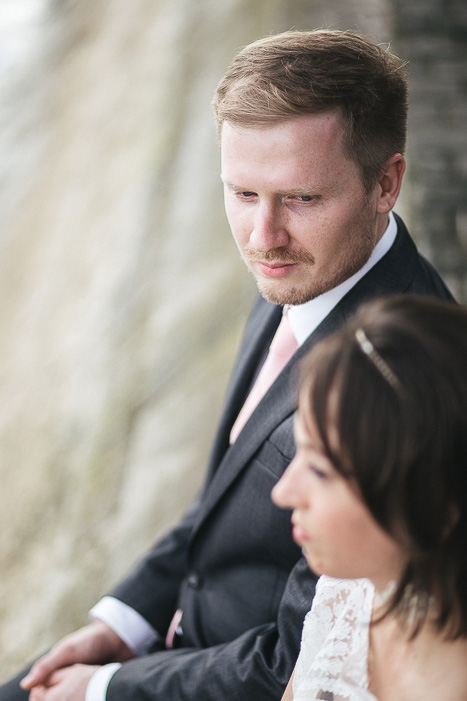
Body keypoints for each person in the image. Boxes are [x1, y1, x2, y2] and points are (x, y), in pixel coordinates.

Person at [1, 29, 454, 701]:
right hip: (166, 646)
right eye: (242, 195)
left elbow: (297, 658)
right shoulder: (303, 269)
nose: (261, 237)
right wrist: (120, 620)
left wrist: (106, 686)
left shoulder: (399, 380)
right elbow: (219, 499)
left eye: (300, 198)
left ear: (386, 183)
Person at [272, 295, 467, 700]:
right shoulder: (350, 591)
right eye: (299, 452)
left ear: (430, 504)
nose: (282, 492)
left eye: (321, 470)